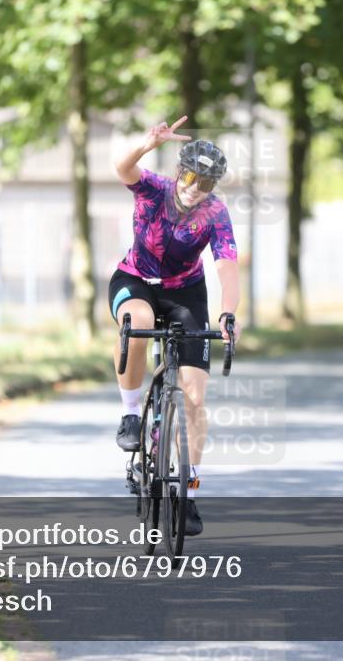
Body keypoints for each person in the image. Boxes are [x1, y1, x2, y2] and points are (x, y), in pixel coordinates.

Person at [108, 115, 242, 536]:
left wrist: (227, 312)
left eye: (204, 183)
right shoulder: (153, 188)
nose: (193, 188)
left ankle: (190, 494)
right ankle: (131, 415)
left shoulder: (216, 214)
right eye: (189, 176)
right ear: (178, 171)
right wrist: (147, 143)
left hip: (186, 293)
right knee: (139, 321)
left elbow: (228, 267)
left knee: (195, 399)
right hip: (135, 279)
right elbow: (122, 169)